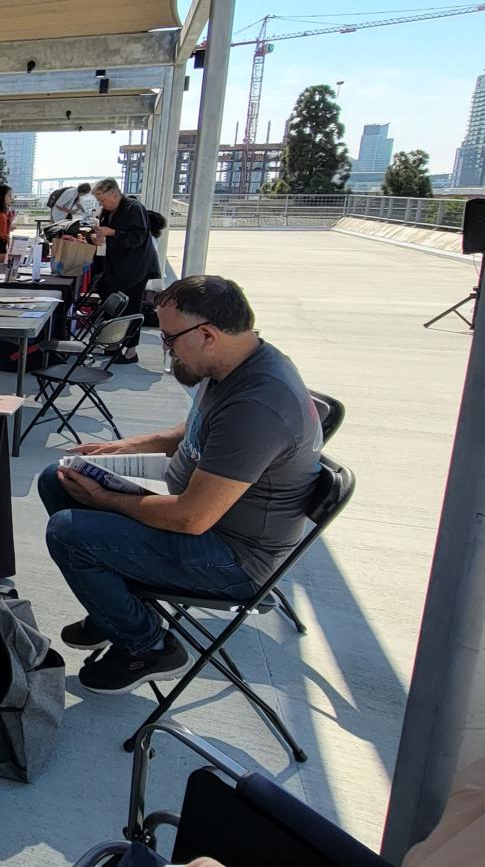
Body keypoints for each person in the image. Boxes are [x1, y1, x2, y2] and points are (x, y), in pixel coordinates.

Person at [36, 276, 321, 694]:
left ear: (206, 334)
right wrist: (121, 447)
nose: (166, 350)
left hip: (232, 557)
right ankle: (112, 607)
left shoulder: (256, 405)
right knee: (59, 478)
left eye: (169, 339)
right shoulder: (237, 363)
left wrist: (106, 499)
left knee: (69, 533)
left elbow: (191, 518)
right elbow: (194, 429)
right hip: (195, 510)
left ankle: (150, 645)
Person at [88, 177, 154, 363]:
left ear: (115, 194)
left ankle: (131, 351)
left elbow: (138, 238)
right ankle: (114, 345)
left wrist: (113, 233)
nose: (102, 204)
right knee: (114, 306)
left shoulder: (134, 208)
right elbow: (103, 233)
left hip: (135, 267)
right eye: (100, 201)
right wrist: (97, 237)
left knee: (131, 307)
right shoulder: (107, 211)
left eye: (103, 200)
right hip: (115, 265)